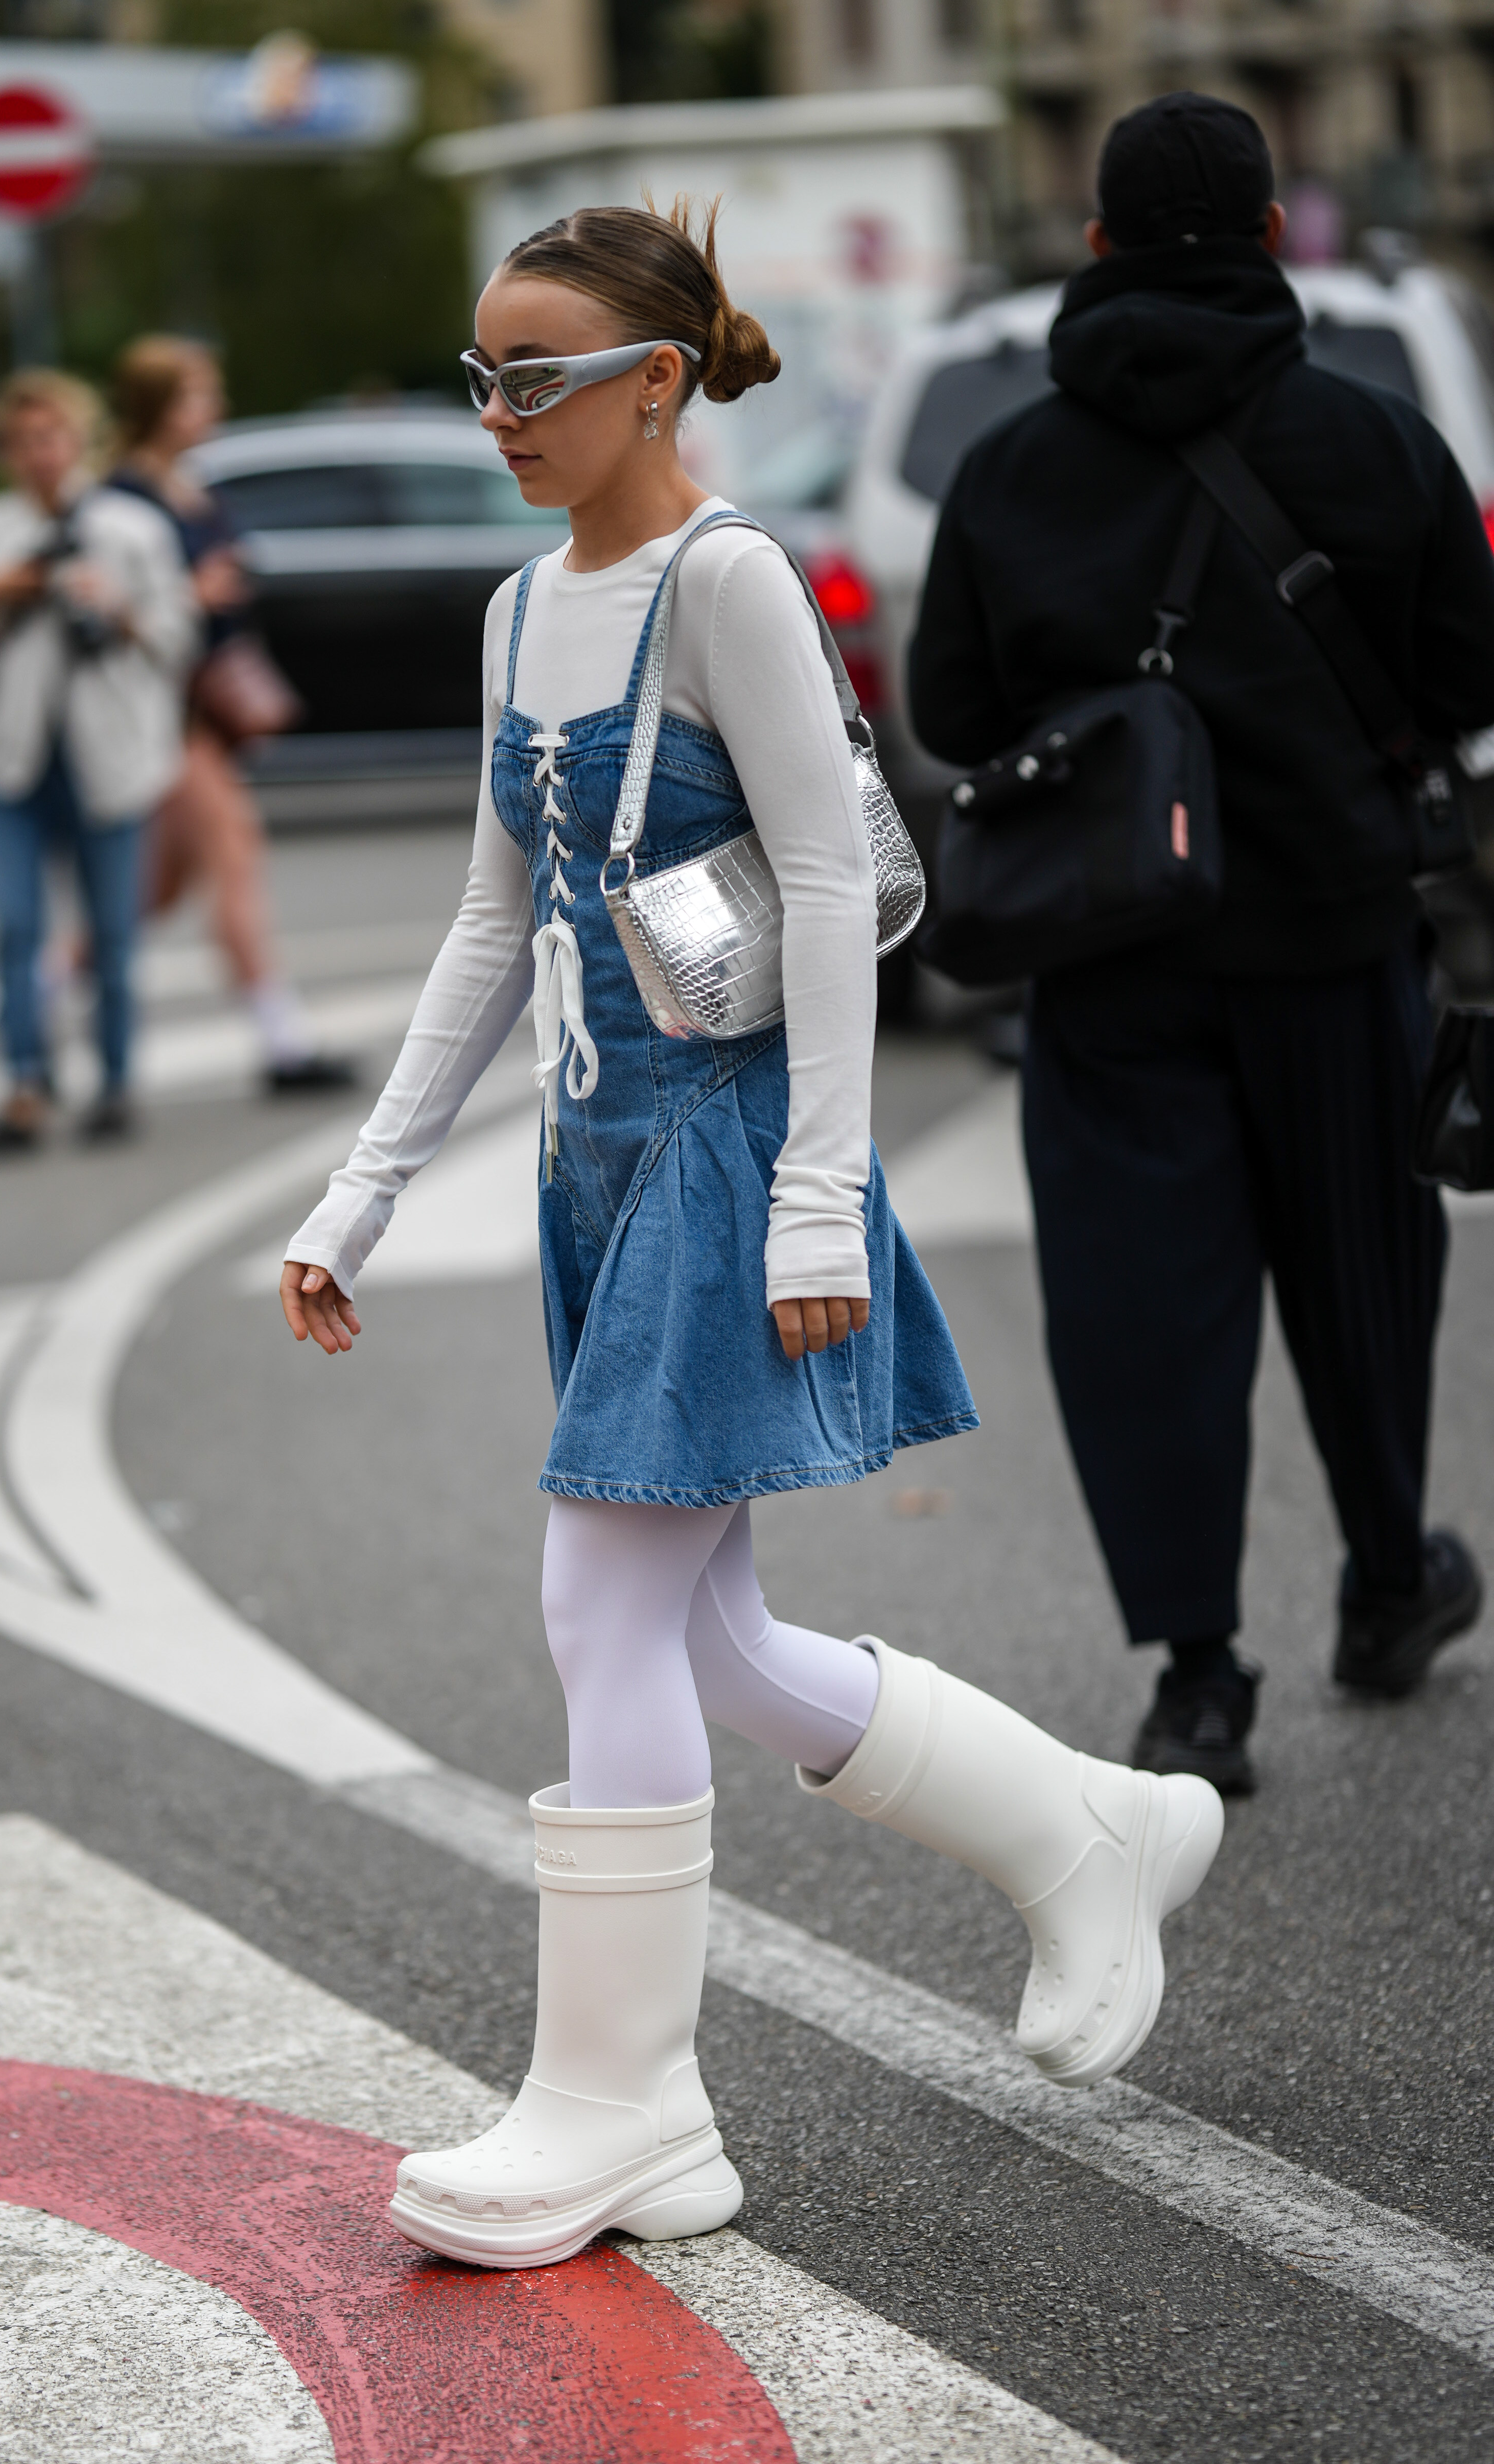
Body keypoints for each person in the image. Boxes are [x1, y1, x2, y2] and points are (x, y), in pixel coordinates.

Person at [278, 201, 1225, 2272]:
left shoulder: (732, 586)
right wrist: (359, 1191)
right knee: (704, 1633)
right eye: (481, 376)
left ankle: (625, 2111)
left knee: (600, 1612)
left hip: (720, 1168)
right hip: (591, 1180)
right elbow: (485, 923)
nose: (500, 413)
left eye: (535, 376)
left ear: (656, 379)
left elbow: (827, 889)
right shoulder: (529, 610)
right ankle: (1090, 1833)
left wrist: (817, 1192)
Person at [908, 93, 1494, 1796]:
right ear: (1267, 239)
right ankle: (1388, 1583)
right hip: (1328, 943)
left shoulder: (1008, 465)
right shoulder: (1372, 436)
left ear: (1091, 247)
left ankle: (1195, 1679)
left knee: (1137, 1311)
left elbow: (948, 704)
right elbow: (1468, 680)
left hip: (1109, 961)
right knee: (1363, 1277)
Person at [0, 369, 195, 1151]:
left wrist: (117, 607)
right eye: (24, 440)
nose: (41, 454)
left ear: (82, 441)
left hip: (113, 758)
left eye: (54, 436)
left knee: (112, 933)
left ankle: (115, 1083)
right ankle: (24, 1085)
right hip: (11, 758)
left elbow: (178, 640)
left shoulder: (131, 529)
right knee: (11, 924)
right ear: (5, 450)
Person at [108, 337, 357, 1096]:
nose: (211, 408)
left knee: (147, 893)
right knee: (235, 855)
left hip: (205, 710)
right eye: (195, 394)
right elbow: (111, 608)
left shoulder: (191, 487)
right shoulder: (122, 500)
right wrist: (192, 593)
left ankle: (35, 998)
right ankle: (284, 1045)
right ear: (157, 407)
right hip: (161, 712)